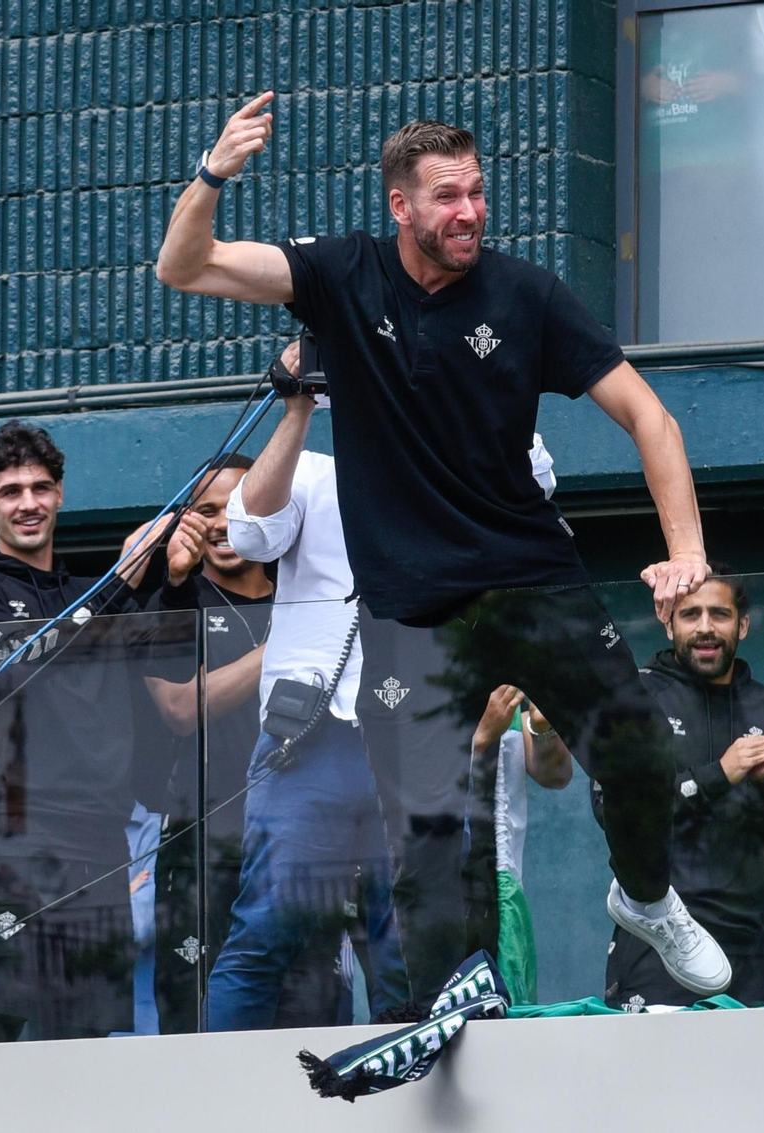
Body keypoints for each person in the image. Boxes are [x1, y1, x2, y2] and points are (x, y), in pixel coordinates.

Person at [157, 103, 731, 995]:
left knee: (640, 753)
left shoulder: (527, 294)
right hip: (413, 612)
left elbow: (648, 416)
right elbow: (182, 265)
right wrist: (214, 172)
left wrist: (685, 550)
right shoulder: (342, 274)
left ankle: (647, 897)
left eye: (478, 193)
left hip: (531, 580)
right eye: (448, 197)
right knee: (422, 835)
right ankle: (444, 1009)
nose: (470, 212)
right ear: (401, 206)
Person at [0, 420, 207, 1042]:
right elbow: (22, 661)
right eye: (10, 491)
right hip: (11, 836)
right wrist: (122, 581)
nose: (27, 503)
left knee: (85, 1046)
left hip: (101, 838)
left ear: (60, 495)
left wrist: (177, 581)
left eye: (40, 487)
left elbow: (169, 665)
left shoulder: (92, 592)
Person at [203, 357, 408, 1029]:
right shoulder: (312, 470)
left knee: (406, 939)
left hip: (415, 731)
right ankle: (222, 1082)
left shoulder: (445, 460)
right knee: (265, 927)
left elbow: (536, 475)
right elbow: (249, 532)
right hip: (313, 735)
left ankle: (414, 1078)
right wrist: (297, 405)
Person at [596, 569, 764, 1009]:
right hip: (662, 931)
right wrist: (721, 773)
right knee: (660, 1057)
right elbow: (612, 813)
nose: (706, 627)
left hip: (762, 942)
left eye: (719, 614)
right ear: (668, 623)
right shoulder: (637, 696)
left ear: (742, 626)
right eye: (691, 614)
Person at [132, 453, 276, 1029]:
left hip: (297, 842)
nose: (222, 523)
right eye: (208, 510)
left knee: (307, 1012)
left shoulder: (308, 595)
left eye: (239, 507)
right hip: (203, 845)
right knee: (195, 1020)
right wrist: (284, 645)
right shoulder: (170, 604)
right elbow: (178, 707)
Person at [469, 686, 573, 1005]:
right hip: (443, 894)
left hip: (506, 892)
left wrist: (542, 728)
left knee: (510, 1014)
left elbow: (557, 775)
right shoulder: (418, 682)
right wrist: (481, 740)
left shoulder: (505, 686)